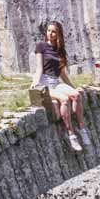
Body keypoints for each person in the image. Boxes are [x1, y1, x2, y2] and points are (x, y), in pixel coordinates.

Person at [33, 20, 90, 151]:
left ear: (59, 34)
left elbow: (62, 73)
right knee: (64, 100)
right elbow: (39, 68)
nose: (50, 34)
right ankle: (71, 134)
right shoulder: (41, 46)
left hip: (56, 82)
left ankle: (82, 128)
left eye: (53, 32)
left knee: (75, 95)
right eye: (48, 31)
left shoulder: (60, 50)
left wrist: (73, 86)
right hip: (44, 82)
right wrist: (36, 82)